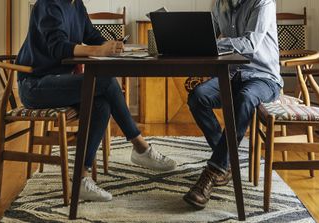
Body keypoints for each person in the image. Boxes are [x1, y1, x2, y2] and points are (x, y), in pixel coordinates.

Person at [16, 0, 176, 202]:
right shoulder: (48, 4)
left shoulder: (76, 4)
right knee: (106, 82)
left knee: (101, 105)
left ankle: (81, 178)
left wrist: (112, 46)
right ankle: (140, 146)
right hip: (35, 85)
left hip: (58, 83)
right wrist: (97, 51)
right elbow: (58, 48)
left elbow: (90, 35)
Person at [183, 0, 283, 209]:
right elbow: (206, 37)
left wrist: (214, 44)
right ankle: (224, 164)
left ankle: (212, 172)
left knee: (245, 98)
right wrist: (190, 41)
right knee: (198, 97)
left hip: (264, 78)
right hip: (232, 74)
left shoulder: (263, 3)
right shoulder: (219, 5)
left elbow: (250, 44)